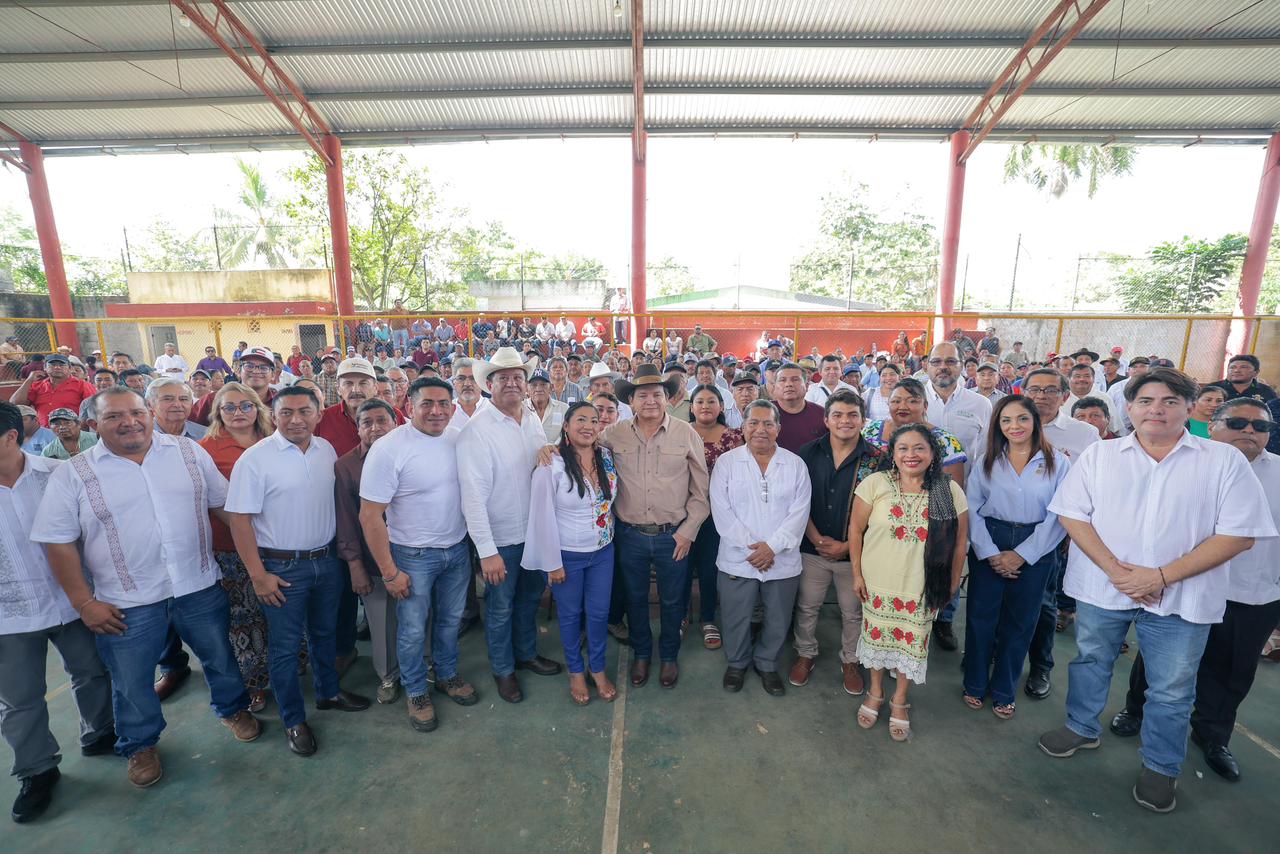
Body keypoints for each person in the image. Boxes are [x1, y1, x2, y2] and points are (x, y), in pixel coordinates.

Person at [1036, 369, 1274, 814]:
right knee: (1091, 660)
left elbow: (1239, 534)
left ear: (1190, 408)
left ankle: (1161, 765)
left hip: (1182, 596)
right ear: (1130, 408)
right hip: (1104, 587)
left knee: (1171, 687)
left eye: (1169, 401)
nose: (1156, 410)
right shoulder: (1102, 455)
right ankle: (1081, 726)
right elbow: (1072, 514)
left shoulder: (1221, 461)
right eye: (1146, 401)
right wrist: (1117, 571)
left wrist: (1160, 576)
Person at [32, 387, 260, 788]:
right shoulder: (74, 473)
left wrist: (263, 550)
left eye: (137, 412)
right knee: (131, 679)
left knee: (220, 656)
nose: (129, 422)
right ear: (93, 424)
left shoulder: (189, 453)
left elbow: (224, 507)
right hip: (126, 599)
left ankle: (233, 709)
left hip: (196, 584)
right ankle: (139, 744)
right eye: (114, 416)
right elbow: (58, 542)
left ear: (150, 413)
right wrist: (84, 602)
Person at [1109, 399, 1280, 783]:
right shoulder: (1179, 463)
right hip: (1180, 584)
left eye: (1260, 427)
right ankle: (1136, 710)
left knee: (1232, 672)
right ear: (1213, 426)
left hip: (1251, 594)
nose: (1249, 431)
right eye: (1238, 422)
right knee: (1160, 662)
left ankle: (1212, 736)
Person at [226, 386, 370, 758]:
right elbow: (239, 521)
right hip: (281, 567)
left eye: (305, 411)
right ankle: (293, 719)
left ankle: (328, 692)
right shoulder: (255, 459)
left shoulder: (326, 451)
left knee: (324, 634)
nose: (295, 420)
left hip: (326, 560)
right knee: (286, 648)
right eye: (286, 412)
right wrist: (258, 575)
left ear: (319, 414)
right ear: (273, 416)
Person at [0, 402, 114, 823]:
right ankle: (37, 770)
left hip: (72, 599)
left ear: (11, 437)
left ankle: (100, 733)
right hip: (10, 614)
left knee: (92, 671)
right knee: (19, 699)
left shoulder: (58, 475)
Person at [361, 379, 478, 731]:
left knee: (450, 621)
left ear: (453, 408)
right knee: (412, 629)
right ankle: (415, 691)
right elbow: (370, 516)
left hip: (456, 549)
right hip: (412, 556)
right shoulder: (389, 448)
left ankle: (446, 674)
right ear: (410, 406)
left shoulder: (459, 439)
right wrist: (389, 571)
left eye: (443, 403)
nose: (436, 411)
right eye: (427, 403)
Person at [850, 424, 969, 741]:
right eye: (903, 448)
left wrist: (953, 582)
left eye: (919, 448)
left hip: (922, 586)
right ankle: (875, 692)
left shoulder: (948, 490)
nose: (911, 455)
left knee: (911, 645)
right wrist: (857, 574)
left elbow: (960, 542)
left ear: (932, 454)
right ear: (893, 453)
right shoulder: (875, 483)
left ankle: (900, 699)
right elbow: (855, 531)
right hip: (878, 581)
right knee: (876, 640)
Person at [458, 347, 562, 704]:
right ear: (489, 385)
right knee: (500, 608)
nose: (512, 383)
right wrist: (487, 552)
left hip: (533, 533)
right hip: (501, 540)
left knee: (529, 600)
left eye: (518, 376)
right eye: (503, 378)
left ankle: (526, 653)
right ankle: (503, 670)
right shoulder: (476, 431)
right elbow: (472, 497)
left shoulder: (530, 418)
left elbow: (539, 466)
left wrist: (549, 451)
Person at [962, 396, 1070, 719]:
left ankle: (1004, 690)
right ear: (998, 425)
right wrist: (989, 553)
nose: (1015, 426)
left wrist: (1023, 554)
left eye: (1022, 418)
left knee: (1021, 622)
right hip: (990, 538)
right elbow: (972, 508)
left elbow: (1059, 514)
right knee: (981, 617)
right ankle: (974, 683)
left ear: (1035, 421)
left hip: (1037, 544)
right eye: (1006, 420)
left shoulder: (1058, 462)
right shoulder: (987, 460)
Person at [607, 363, 710, 688]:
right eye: (642, 395)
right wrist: (550, 448)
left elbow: (701, 491)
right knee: (635, 598)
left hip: (673, 536)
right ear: (631, 401)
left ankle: (668, 656)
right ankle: (642, 653)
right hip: (629, 535)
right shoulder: (613, 433)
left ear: (668, 398)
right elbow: (579, 446)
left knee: (673, 600)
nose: (650, 400)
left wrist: (688, 531)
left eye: (657, 394)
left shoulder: (686, 433)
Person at [711, 400, 811, 696]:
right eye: (753, 423)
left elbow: (800, 512)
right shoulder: (727, 463)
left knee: (778, 618)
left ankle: (767, 664)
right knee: (736, 616)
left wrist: (773, 548)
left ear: (778, 428)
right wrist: (753, 549)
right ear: (742, 427)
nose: (760, 429)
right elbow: (722, 511)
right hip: (738, 557)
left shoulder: (795, 464)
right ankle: (737, 663)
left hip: (781, 559)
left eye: (768, 423)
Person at [523, 402, 620, 705]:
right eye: (580, 420)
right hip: (567, 555)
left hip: (603, 551)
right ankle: (576, 671)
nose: (588, 426)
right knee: (569, 615)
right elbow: (541, 516)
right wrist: (552, 562)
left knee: (599, 613)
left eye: (594, 420)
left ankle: (597, 667)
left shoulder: (606, 457)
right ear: (566, 425)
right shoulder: (550, 464)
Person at [790, 390, 880, 695]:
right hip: (811, 549)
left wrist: (846, 546)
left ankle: (851, 660)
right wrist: (815, 538)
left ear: (863, 420)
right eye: (838, 415)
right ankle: (805, 654)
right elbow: (796, 502)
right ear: (826, 420)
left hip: (853, 555)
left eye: (853, 415)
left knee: (853, 612)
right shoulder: (807, 453)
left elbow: (879, 512)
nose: (845, 421)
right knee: (807, 606)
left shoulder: (876, 460)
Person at [1021, 367, 1101, 698]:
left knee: (1043, 602)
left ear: (1065, 396)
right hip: (1005, 527)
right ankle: (997, 653)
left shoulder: (1083, 434)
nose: (1041, 396)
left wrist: (1073, 531)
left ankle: (1040, 665)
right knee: (1001, 600)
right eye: (1034, 389)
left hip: (1055, 530)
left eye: (1050, 390)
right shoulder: (1009, 423)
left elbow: (1094, 486)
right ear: (1023, 392)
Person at [198, 382, 274, 714]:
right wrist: (247, 530)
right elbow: (212, 501)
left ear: (257, 408)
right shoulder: (206, 449)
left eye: (245, 405)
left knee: (277, 611)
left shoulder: (276, 440)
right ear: (218, 413)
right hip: (231, 547)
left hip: (277, 543)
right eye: (229, 407)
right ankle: (254, 683)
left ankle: (288, 667)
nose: (238, 412)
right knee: (243, 617)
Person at [334, 399, 401, 707]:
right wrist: (355, 565)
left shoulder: (411, 452)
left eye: (381, 420)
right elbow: (347, 519)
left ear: (395, 423)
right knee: (381, 621)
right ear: (358, 429)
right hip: (372, 559)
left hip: (414, 553)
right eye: (367, 423)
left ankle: (425, 666)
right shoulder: (346, 465)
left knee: (422, 616)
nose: (375, 428)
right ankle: (388, 676)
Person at [687, 384, 744, 651]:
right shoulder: (680, 432)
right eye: (700, 401)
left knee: (710, 567)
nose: (705, 406)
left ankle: (707, 618)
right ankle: (681, 614)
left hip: (719, 515)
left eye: (712, 401)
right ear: (691, 407)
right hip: (684, 512)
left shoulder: (734, 437)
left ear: (721, 406)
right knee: (681, 566)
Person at [862, 378, 967, 486]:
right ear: (888, 404)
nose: (902, 407)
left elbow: (951, 491)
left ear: (925, 406)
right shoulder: (871, 430)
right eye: (896, 401)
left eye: (912, 401)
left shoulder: (946, 442)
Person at [192, 346, 276, 425]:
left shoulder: (280, 402)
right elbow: (189, 426)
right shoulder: (212, 400)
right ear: (239, 371)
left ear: (273, 375)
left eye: (264, 368)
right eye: (249, 366)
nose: (256, 371)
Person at [10, 353, 96, 427]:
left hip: (72, 432)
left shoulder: (82, 385)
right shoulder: (37, 386)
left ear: (70, 369)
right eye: (52, 365)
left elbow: (94, 410)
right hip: (44, 433)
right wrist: (29, 380)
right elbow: (15, 403)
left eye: (62, 365)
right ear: (45, 368)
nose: (57, 367)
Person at [770, 363, 828, 452]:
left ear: (807, 386)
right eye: (782, 380)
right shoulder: (763, 412)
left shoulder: (821, 414)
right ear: (774, 387)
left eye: (795, 379)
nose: (789, 384)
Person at [1210, 354, 1275, 402]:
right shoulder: (1213, 387)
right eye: (1232, 367)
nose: (1236, 370)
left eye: (1243, 367)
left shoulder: (1266, 391)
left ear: (1256, 372)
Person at [528, 369, 569, 442]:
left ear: (551, 388)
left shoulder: (564, 409)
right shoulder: (519, 409)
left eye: (543, 385)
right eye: (534, 385)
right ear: (526, 389)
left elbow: (568, 434)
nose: (538, 389)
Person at [447, 357, 484, 429]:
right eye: (461, 378)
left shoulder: (494, 409)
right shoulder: (445, 411)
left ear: (481, 382)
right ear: (454, 383)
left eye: (473, 378)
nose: (467, 384)